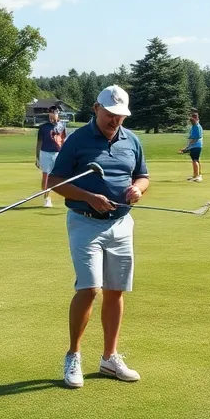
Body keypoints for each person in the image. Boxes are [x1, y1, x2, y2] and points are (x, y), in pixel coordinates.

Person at [48, 85, 149, 389]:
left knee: (116, 290)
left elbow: (142, 175)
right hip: (85, 222)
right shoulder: (77, 140)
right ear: (96, 108)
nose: (115, 121)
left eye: (120, 116)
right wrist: (88, 196)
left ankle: (109, 357)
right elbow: (54, 181)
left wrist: (138, 190)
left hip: (121, 223)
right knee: (90, 289)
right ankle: (73, 355)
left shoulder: (131, 140)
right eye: (110, 115)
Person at [35, 105, 67, 207]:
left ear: (58, 114)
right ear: (49, 114)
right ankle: (47, 198)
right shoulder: (44, 127)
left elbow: (64, 141)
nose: (54, 114)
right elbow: (39, 143)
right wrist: (37, 157)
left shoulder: (62, 126)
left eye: (55, 113)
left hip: (58, 153)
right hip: (45, 153)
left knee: (61, 176)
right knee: (46, 177)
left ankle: (68, 195)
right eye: (52, 113)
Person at [180, 110, 203, 182]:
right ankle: (197, 175)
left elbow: (196, 137)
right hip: (196, 145)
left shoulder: (196, 125)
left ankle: (197, 176)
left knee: (195, 160)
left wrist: (188, 146)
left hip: (195, 145)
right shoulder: (196, 125)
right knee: (197, 160)